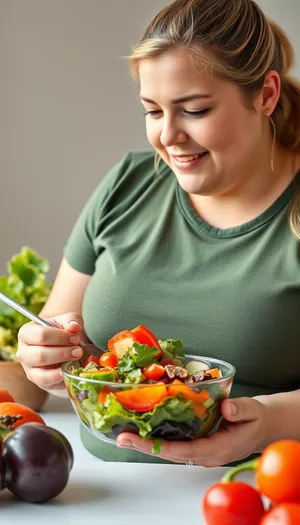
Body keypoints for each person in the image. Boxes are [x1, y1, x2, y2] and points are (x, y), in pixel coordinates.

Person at [17, 0, 300, 467]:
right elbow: (53, 334)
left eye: (194, 110)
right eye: (153, 111)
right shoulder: (127, 184)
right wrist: (41, 355)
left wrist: (265, 424)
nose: (168, 136)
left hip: (259, 495)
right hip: (96, 499)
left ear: (265, 95)